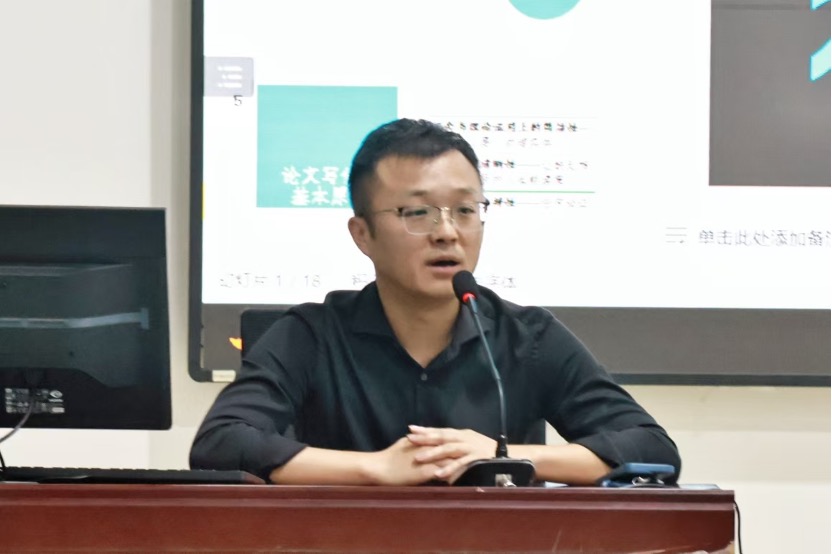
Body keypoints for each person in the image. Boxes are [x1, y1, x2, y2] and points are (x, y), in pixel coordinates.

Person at [189, 118, 681, 486]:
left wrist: (502, 456)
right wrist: (375, 469)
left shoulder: (527, 337)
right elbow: (221, 444)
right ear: (362, 234)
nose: (447, 232)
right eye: (417, 212)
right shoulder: (312, 335)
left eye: (465, 210)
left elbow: (650, 448)